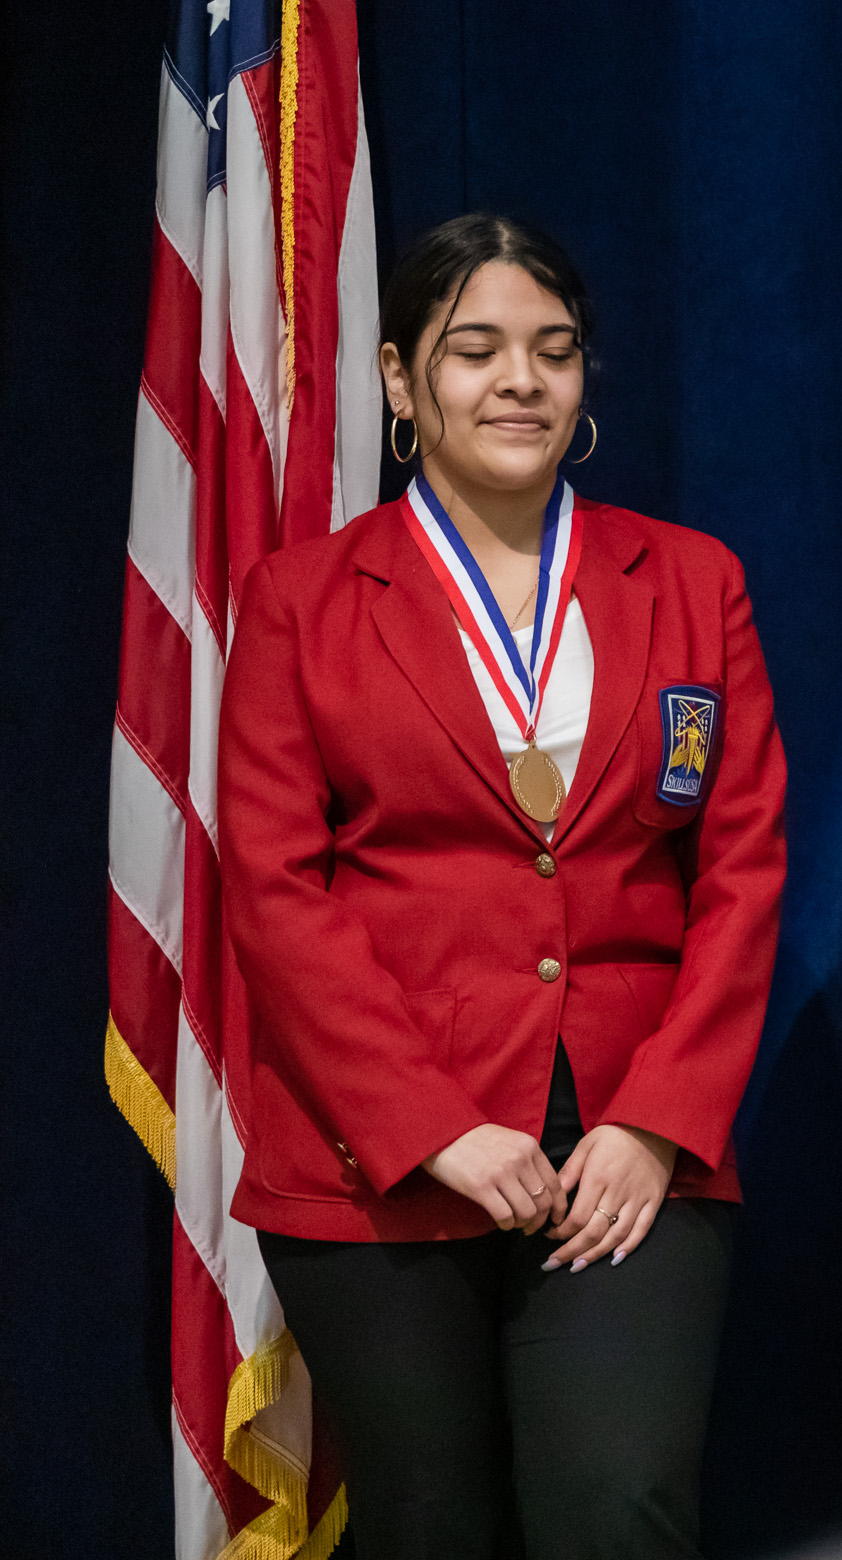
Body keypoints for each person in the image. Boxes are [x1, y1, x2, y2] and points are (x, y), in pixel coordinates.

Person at [218, 214, 787, 1559]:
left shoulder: (692, 581)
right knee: (432, 1530)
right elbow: (273, 891)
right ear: (403, 380)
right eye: (475, 350)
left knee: (618, 1508)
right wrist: (429, 1126)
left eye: (553, 350)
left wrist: (657, 1122)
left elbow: (744, 868)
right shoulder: (303, 599)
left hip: (625, 1157)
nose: (520, 381)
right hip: (383, 1164)